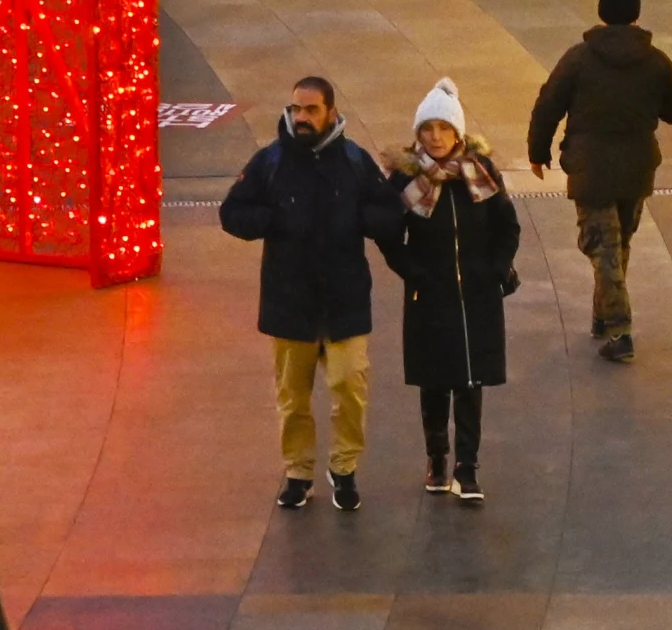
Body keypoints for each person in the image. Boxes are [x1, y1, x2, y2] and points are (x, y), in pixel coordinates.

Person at [216, 76, 395, 514]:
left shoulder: (354, 161)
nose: (301, 118)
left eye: (311, 110)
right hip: (289, 303)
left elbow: (388, 210)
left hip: (344, 301)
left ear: (331, 112)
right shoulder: (271, 161)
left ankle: (344, 467)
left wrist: (368, 218)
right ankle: (298, 473)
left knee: (349, 386)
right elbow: (232, 211)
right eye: (296, 109)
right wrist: (269, 220)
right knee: (292, 396)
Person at [526, 0, 672, 364]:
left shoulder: (579, 57)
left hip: (590, 166)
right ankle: (603, 316)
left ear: (601, 13)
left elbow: (549, 103)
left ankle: (619, 329)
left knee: (604, 247)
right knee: (618, 243)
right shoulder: (657, 61)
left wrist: (538, 151)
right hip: (637, 166)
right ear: (636, 15)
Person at [381, 78, 518, 503]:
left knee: (471, 380)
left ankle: (468, 467)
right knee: (435, 380)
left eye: (443, 128)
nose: (436, 137)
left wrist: (495, 270)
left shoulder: (480, 174)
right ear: (418, 133)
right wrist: (414, 273)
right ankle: (437, 458)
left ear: (458, 132)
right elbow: (388, 236)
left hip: (477, 294)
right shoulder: (405, 180)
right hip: (431, 294)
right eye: (428, 129)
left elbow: (507, 226)